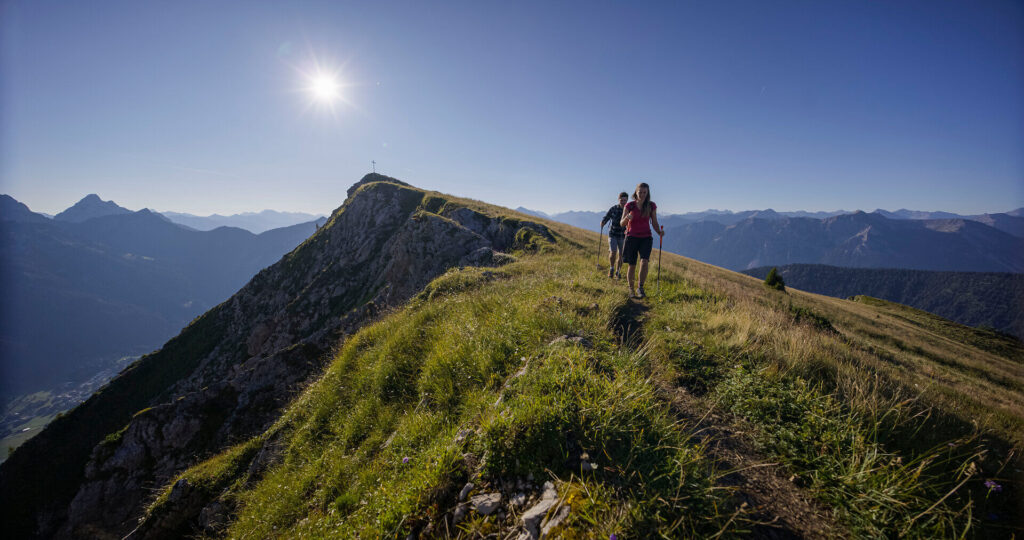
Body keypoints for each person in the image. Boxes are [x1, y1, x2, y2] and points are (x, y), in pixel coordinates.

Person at [619, 182, 664, 298]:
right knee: (632, 265)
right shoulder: (629, 205)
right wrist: (627, 218)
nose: (642, 194)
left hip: (646, 237)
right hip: (631, 237)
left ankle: (640, 287)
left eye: (644, 192)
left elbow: (654, 222)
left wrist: (659, 232)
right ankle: (631, 289)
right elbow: (621, 223)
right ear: (636, 192)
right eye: (640, 192)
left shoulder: (651, 206)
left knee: (644, 262)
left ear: (648, 193)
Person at [600, 192, 629, 278]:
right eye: (621, 200)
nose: (623, 202)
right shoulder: (613, 209)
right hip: (613, 234)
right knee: (613, 252)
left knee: (621, 255)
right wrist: (603, 222)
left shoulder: (629, 210)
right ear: (618, 200)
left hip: (623, 235)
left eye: (625, 200)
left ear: (627, 200)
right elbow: (607, 216)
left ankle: (618, 272)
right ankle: (611, 268)